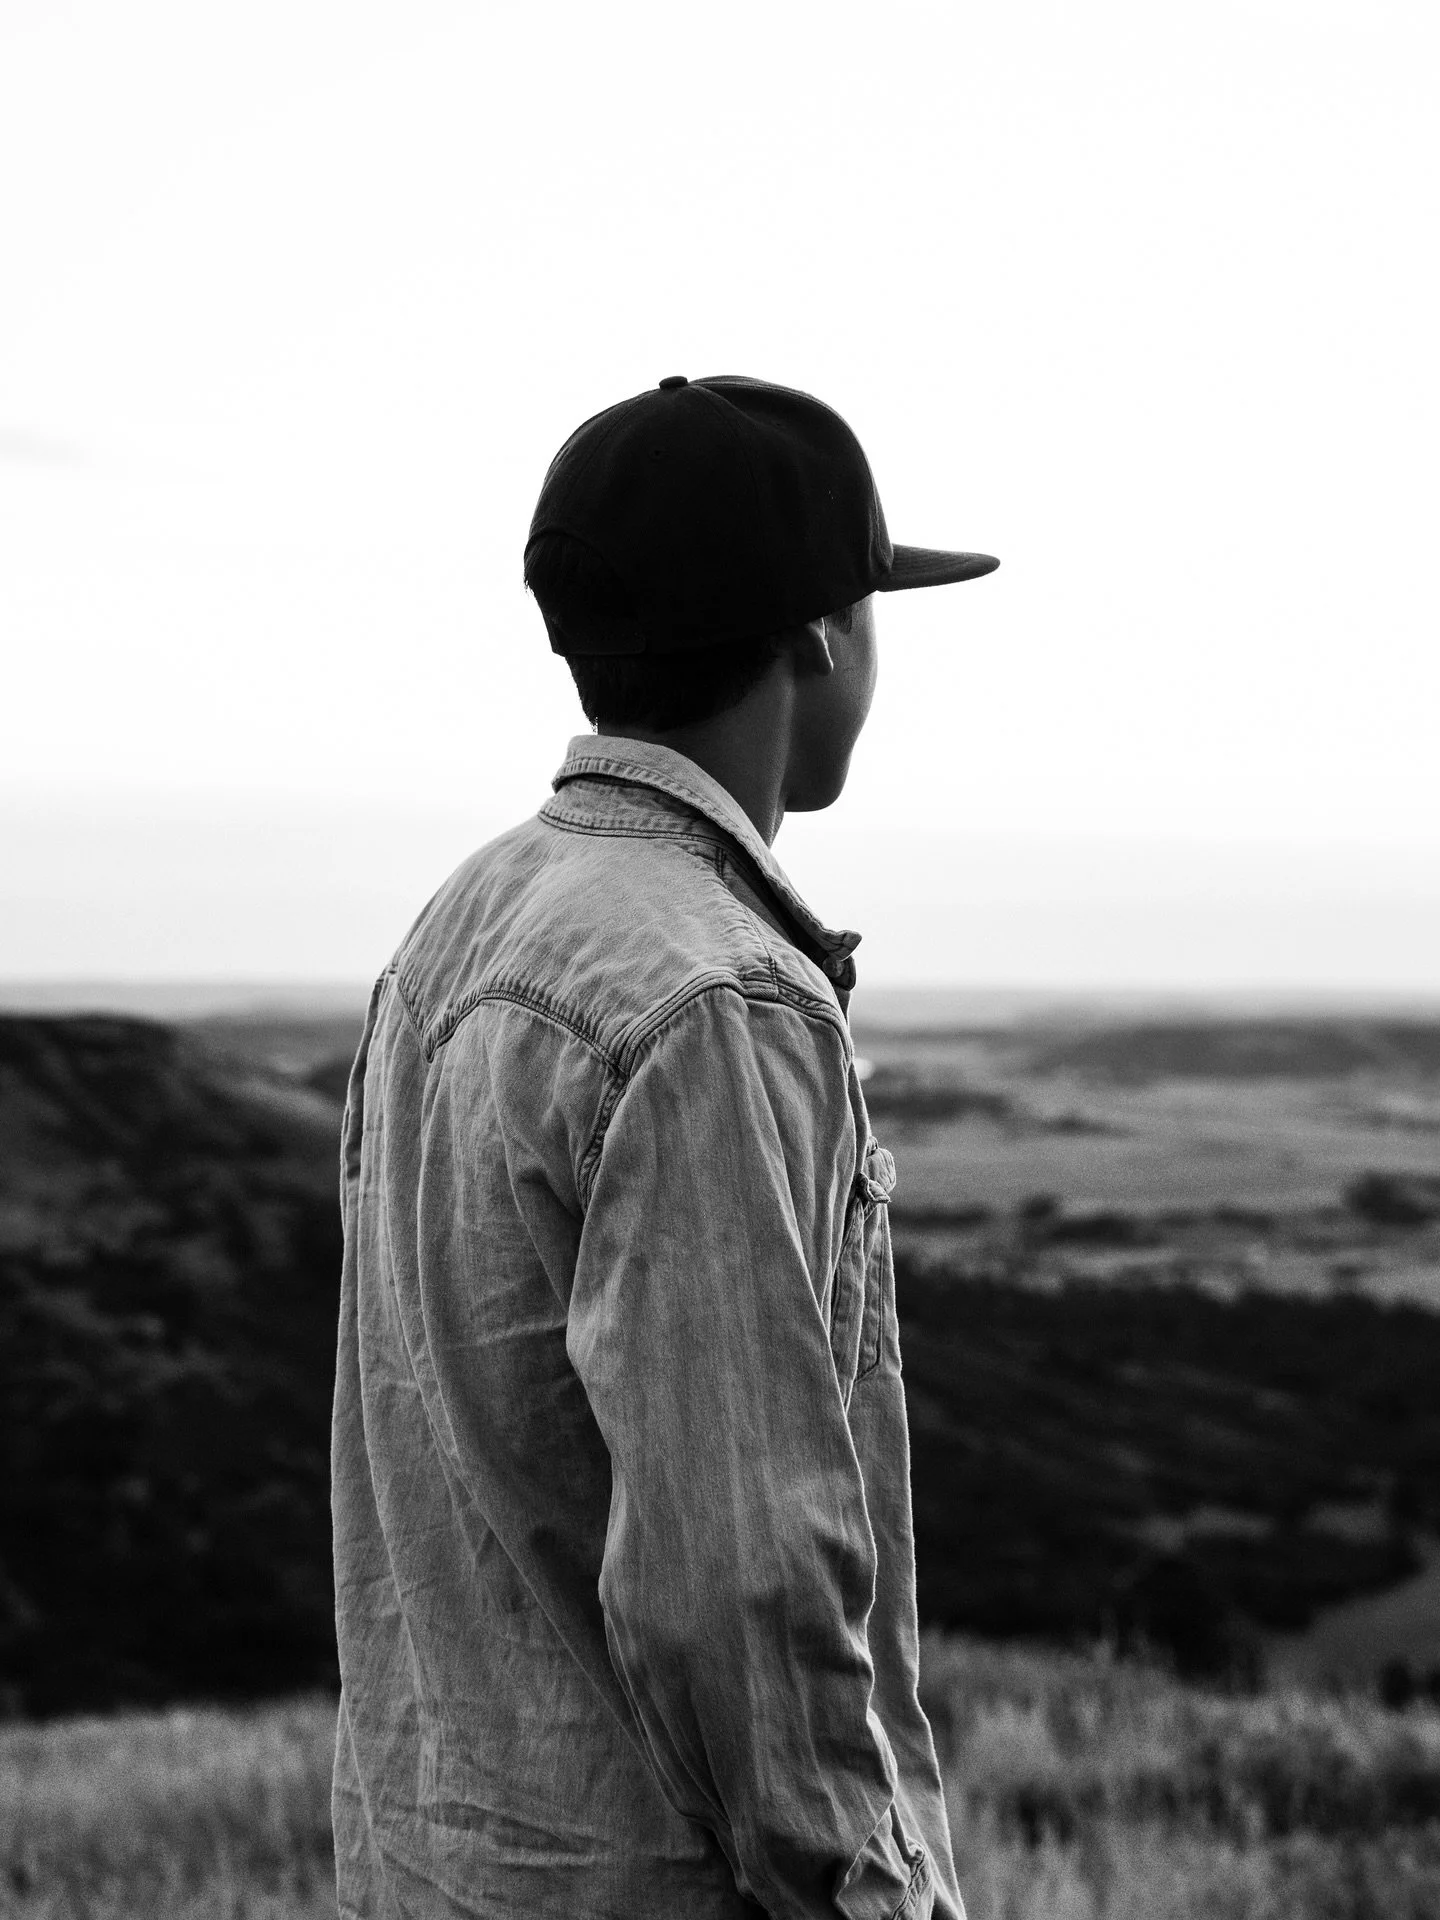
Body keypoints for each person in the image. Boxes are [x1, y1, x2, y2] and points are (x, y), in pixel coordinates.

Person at [330, 374, 998, 1919]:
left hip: (440, 1866)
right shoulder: (719, 997)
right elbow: (741, 1582)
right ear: (824, 633)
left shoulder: (457, 927)